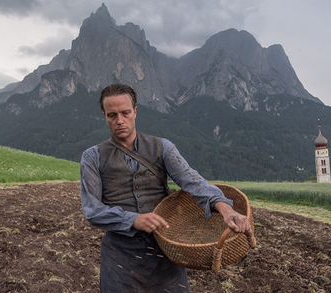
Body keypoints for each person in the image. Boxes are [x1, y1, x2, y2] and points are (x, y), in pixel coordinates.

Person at [80, 83, 251, 293]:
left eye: (125, 113)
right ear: (104, 116)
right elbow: (92, 211)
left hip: (165, 252)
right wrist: (133, 219)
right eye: (112, 115)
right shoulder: (92, 157)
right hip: (120, 257)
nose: (120, 121)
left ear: (135, 111)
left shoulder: (163, 147)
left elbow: (193, 182)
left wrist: (227, 210)